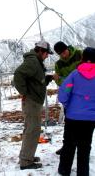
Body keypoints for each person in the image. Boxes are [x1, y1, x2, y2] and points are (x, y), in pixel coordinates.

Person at [13, 40, 53, 170]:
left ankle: (27, 156)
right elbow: (18, 74)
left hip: (33, 102)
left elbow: (35, 82)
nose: (47, 56)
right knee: (32, 131)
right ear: (40, 51)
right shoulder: (33, 61)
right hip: (32, 102)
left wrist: (46, 80)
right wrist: (24, 92)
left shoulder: (36, 62)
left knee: (30, 129)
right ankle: (26, 161)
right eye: (47, 53)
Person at [57, 47, 95, 176]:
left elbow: (63, 93)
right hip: (90, 119)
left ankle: (64, 171)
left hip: (72, 117)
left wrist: (68, 105)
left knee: (68, 145)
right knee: (84, 148)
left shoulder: (74, 74)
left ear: (83, 58)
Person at [53, 41, 83, 155]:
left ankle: (81, 147)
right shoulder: (58, 64)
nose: (64, 55)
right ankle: (67, 146)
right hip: (70, 97)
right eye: (61, 54)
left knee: (82, 123)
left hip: (83, 95)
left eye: (64, 52)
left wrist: (69, 80)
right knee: (69, 123)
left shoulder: (79, 54)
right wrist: (63, 81)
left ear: (67, 48)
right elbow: (61, 82)